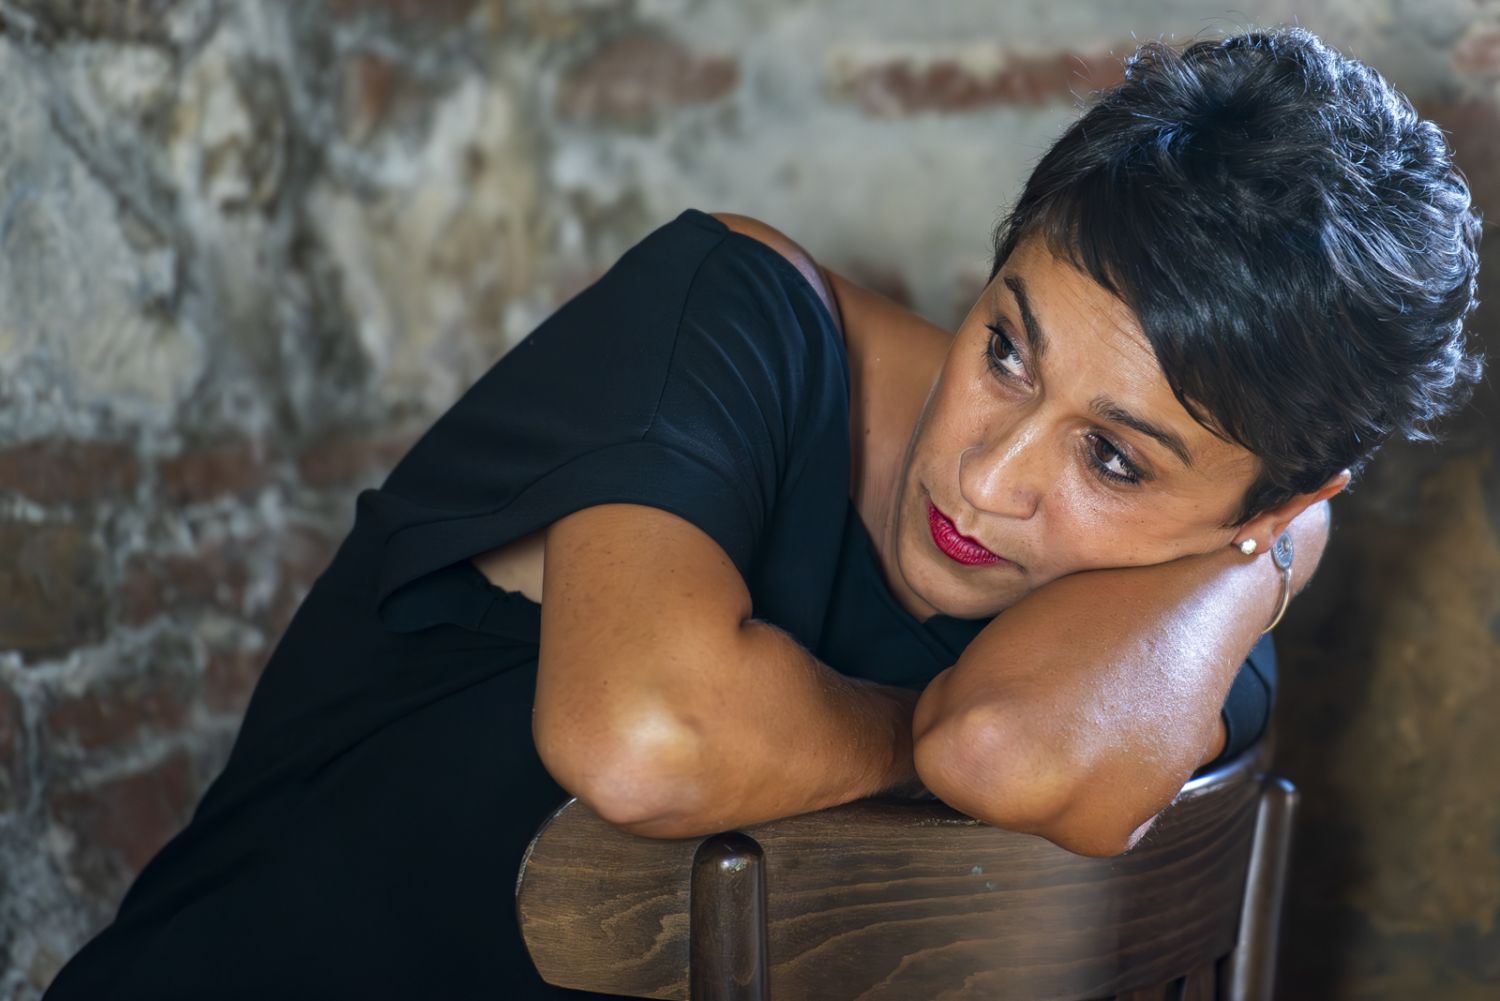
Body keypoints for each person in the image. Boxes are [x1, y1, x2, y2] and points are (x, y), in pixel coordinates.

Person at [45, 25, 1482, 1000]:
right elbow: (648, 738)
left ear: (1265, 504)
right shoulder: (728, 314)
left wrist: (1278, 554)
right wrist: (907, 736)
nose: (987, 478)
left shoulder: (1192, 591)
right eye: (1006, 347)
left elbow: (1000, 747)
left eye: (1114, 460)